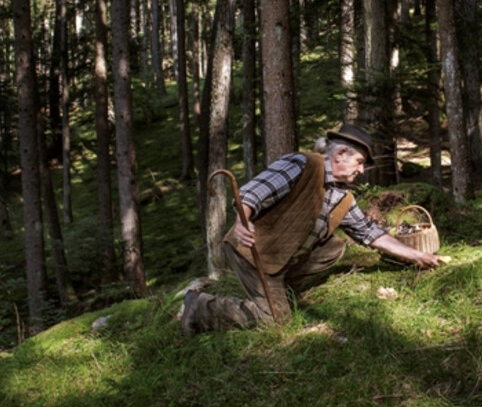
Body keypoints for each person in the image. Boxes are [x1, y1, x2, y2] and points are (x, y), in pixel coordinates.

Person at [180, 124, 444, 335]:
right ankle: (199, 307)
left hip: (282, 258)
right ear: (340, 154)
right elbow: (253, 193)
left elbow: (370, 233)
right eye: (360, 162)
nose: (362, 170)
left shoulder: (344, 198)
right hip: (253, 252)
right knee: (275, 320)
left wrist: (417, 256)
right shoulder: (302, 163)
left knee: (334, 247)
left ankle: (283, 287)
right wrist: (242, 221)